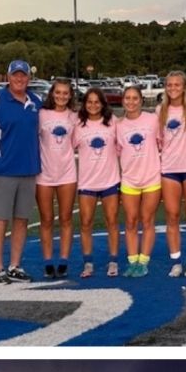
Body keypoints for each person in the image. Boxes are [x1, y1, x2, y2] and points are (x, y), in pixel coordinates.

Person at [0, 60, 43, 284]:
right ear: (8, 76)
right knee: (0, 220)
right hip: (1, 171)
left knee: (21, 220)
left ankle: (15, 265)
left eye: (23, 75)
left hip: (28, 170)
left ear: (29, 78)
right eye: (15, 75)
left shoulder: (35, 101)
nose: (19, 79)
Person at [157, 72, 186, 277]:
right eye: (169, 84)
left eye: (177, 84)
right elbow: (160, 139)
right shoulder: (161, 110)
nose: (173, 88)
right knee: (172, 216)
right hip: (169, 170)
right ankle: (176, 261)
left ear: (185, 87)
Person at [73, 89, 122, 277]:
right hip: (87, 182)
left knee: (112, 222)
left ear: (103, 103)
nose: (93, 105)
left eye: (97, 102)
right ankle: (88, 264)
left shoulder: (112, 123)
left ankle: (114, 262)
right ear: (84, 104)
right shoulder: (78, 125)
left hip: (110, 181)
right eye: (89, 102)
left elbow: (121, 145)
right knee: (85, 223)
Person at [116, 85, 161, 276]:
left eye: (135, 98)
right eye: (128, 98)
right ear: (123, 101)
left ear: (141, 100)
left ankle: (143, 261)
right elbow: (118, 151)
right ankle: (132, 260)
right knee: (131, 221)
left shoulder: (153, 120)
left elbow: (162, 141)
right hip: (129, 180)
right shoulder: (118, 125)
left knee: (148, 220)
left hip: (151, 178)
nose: (131, 102)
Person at [36, 79, 78, 280]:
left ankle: (63, 261)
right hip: (44, 174)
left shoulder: (74, 117)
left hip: (67, 173)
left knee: (66, 218)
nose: (61, 96)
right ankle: (47, 262)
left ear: (70, 95)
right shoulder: (41, 114)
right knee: (46, 219)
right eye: (58, 92)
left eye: (65, 93)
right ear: (52, 93)